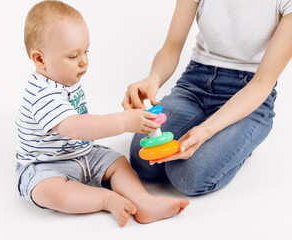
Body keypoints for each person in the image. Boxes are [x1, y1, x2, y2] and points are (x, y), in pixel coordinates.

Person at [15, 0, 189, 227]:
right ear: (40, 59)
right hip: (46, 165)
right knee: (47, 192)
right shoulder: (41, 93)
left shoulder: (64, 77)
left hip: (85, 153)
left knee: (118, 162)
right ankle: (106, 199)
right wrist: (123, 122)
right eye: (73, 56)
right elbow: (75, 126)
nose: (84, 61)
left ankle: (144, 202)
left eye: (86, 51)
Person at [123, 0, 292, 196]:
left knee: (188, 177)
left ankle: (240, 145)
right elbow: (171, 47)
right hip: (195, 83)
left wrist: (206, 130)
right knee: (143, 160)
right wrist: (153, 79)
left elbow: (262, 82)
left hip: (249, 94)